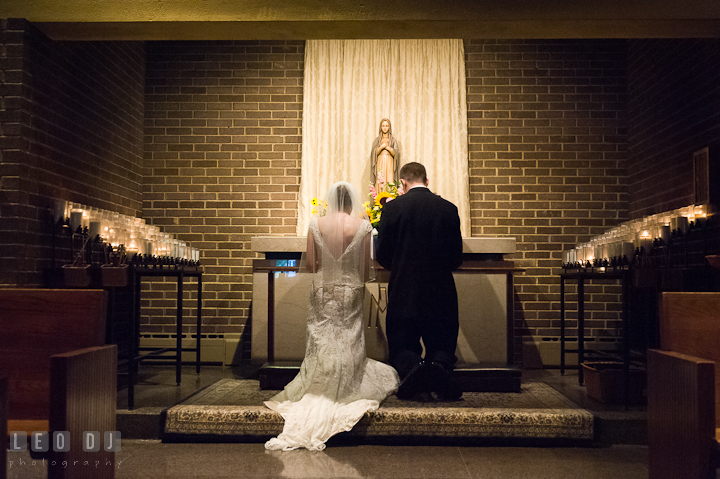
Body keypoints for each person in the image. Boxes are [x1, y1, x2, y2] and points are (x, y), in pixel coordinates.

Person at [264, 181, 400, 451]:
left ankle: (318, 381)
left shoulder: (316, 224)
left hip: (323, 289)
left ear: (331, 201)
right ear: (351, 203)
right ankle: (346, 383)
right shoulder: (361, 226)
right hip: (350, 288)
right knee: (348, 337)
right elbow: (363, 268)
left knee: (322, 337)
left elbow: (312, 264)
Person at [375, 162, 464, 401]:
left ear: (402, 184)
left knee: (403, 344)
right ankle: (438, 369)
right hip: (441, 289)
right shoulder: (448, 209)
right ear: (427, 181)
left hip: (405, 289)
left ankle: (415, 371)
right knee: (442, 343)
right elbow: (456, 256)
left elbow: (382, 255)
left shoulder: (392, 209)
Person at [370, 118, 401, 192]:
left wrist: (389, 148)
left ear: (389, 127)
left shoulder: (393, 140)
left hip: (390, 163)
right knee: (380, 179)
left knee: (389, 179)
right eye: (383, 125)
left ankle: (390, 198)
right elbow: (373, 154)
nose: (385, 127)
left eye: (387, 126)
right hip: (380, 162)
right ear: (380, 127)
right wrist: (381, 147)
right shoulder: (377, 140)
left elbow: (396, 154)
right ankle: (379, 198)